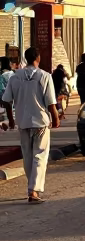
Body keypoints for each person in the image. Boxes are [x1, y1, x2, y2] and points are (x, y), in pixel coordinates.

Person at [1, 47, 59, 203]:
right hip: (40, 122)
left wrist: (12, 120)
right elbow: (51, 103)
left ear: (26, 59)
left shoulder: (15, 77)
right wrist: (56, 119)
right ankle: (33, 191)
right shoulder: (44, 76)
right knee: (39, 156)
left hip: (23, 122)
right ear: (38, 58)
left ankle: (31, 188)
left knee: (27, 156)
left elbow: (6, 101)